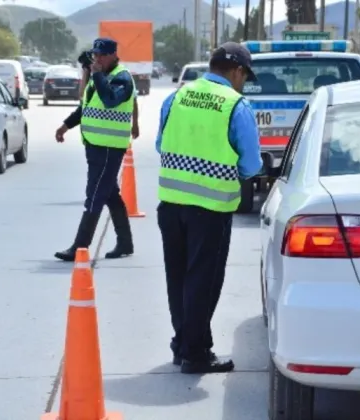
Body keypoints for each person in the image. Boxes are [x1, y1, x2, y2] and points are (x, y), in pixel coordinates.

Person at [155, 42, 263, 374]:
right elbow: (251, 164)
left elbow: (161, 144)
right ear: (237, 71)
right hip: (210, 208)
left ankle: (182, 343)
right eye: (244, 76)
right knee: (204, 280)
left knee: (178, 279)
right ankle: (196, 353)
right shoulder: (236, 105)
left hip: (171, 204)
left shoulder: (176, 97)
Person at [54, 38, 138, 262]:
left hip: (110, 148)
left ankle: (80, 246)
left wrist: (97, 75)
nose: (97, 59)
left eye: (102, 55)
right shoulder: (97, 76)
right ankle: (125, 242)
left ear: (113, 55)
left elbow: (110, 100)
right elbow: (86, 108)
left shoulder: (122, 78)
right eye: (95, 55)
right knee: (110, 195)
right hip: (95, 146)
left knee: (94, 195)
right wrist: (65, 126)